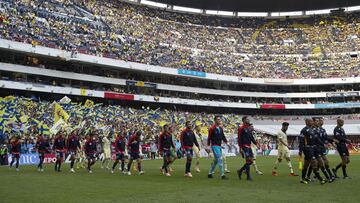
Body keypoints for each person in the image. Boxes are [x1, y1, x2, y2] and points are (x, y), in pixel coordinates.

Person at [298, 118, 326, 184]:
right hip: (307, 149)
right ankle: (320, 179)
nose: (312, 122)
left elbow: (316, 139)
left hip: (313, 148)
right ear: (306, 122)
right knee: (314, 162)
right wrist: (300, 150)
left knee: (306, 165)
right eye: (310, 121)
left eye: (312, 121)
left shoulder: (312, 129)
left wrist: (323, 144)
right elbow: (301, 141)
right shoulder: (304, 130)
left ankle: (303, 178)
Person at [207, 116, 229, 180]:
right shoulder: (212, 128)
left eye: (220, 119)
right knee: (220, 159)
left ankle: (210, 173)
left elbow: (223, 136)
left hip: (219, 146)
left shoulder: (220, 128)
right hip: (214, 146)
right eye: (218, 119)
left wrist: (227, 142)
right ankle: (222, 175)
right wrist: (208, 145)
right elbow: (209, 137)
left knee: (216, 161)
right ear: (215, 120)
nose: (219, 121)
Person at [237, 117, 257, 181]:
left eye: (248, 119)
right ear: (243, 120)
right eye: (247, 119)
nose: (248, 120)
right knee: (248, 160)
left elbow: (251, 137)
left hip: (249, 146)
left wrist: (256, 143)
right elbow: (239, 138)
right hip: (244, 146)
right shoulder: (241, 128)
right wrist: (240, 148)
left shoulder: (249, 128)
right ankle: (248, 176)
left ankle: (240, 171)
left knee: (251, 161)